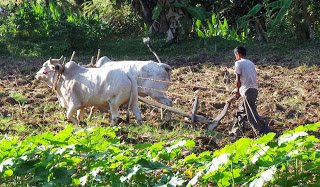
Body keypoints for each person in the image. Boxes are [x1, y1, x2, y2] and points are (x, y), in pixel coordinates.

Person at [231, 46, 271, 135]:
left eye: (235, 55)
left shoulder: (238, 63)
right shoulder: (251, 63)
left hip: (247, 91)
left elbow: (238, 80)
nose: (235, 57)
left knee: (252, 116)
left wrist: (237, 91)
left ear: (238, 54)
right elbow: (249, 78)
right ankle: (236, 130)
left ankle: (263, 131)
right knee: (241, 111)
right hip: (254, 90)